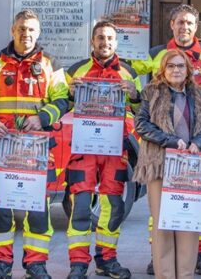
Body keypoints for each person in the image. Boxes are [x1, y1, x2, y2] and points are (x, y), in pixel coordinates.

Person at [0, 9, 71, 279]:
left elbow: (63, 100)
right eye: (21, 28)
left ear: (38, 32)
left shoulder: (50, 63)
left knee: (38, 212)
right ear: (12, 30)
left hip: (37, 150)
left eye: (31, 29)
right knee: (0, 212)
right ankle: (1, 265)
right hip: (2, 148)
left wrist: (42, 117)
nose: (26, 34)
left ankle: (36, 264)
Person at [132, 4, 201, 275]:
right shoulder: (155, 56)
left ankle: (195, 259)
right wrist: (131, 92)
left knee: (191, 214)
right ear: (172, 25)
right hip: (161, 159)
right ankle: (161, 264)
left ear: (196, 27)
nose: (185, 27)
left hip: (194, 156)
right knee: (161, 218)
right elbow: (132, 70)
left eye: (189, 23)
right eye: (180, 22)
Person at [63, 20, 142, 279]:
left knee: (113, 207)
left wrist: (134, 96)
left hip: (114, 150)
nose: (104, 42)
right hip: (84, 150)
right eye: (100, 38)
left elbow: (142, 114)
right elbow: (60, 104)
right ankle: (77, 265)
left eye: (109, 38)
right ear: (92, 42)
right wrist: (70, 93)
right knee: (81, 207)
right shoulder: (75, 70)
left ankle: (107, 261)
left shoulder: (129, 73)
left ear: (116, 43)